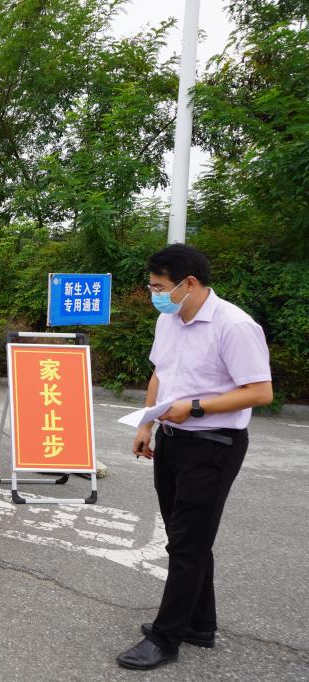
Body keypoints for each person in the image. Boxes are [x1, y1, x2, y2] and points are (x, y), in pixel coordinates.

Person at [116, 244, 272, 670]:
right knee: (185, 536)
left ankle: (166, 638)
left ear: (189, 283)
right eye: (152, 286)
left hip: (213, 444)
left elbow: (260, 391)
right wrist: (147, 424)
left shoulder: (234, 325)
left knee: (187, 543)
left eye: (159, 287)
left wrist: (197, 407)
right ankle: (200, 623)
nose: (155, 295)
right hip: (171, 438)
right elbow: (160, 372)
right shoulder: (168, 319)